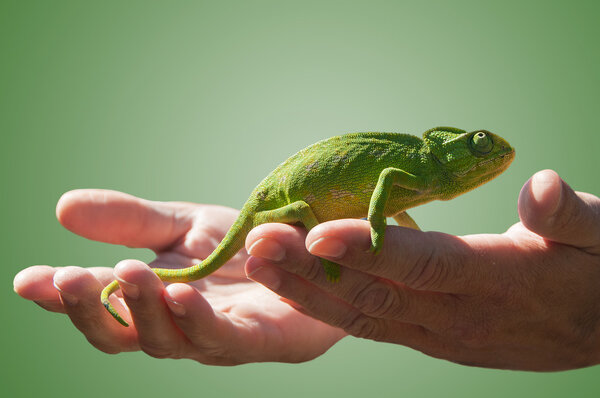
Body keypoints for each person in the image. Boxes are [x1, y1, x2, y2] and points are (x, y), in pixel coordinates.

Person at [13, 169, 600, 370]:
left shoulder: (416, 175)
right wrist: (376, 231)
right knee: (296, 230)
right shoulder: (411, 167)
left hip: (296, 211)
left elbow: (395, 199)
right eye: (472, 145)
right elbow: (388, 190)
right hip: (285, 207)